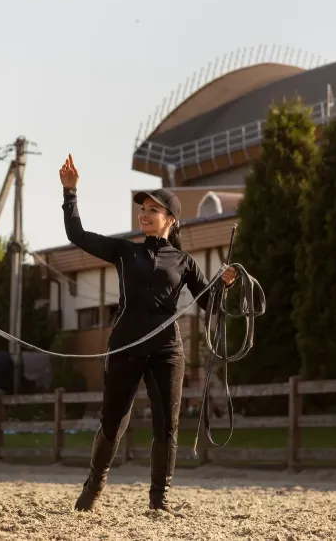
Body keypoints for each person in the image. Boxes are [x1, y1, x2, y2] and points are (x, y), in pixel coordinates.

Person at [58, 153, 235, 516]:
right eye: (143, 207)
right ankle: (94, 484)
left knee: (167, 426)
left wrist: (226, 284)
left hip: (167, 349)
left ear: (170, 219)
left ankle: (160, 500)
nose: (145, 213)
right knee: (112, 420)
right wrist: (70, 193)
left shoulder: (184, 263)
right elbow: (76, 234)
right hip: (125, 345)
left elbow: (211, 304)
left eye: (154, 209)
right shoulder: (124, 251)